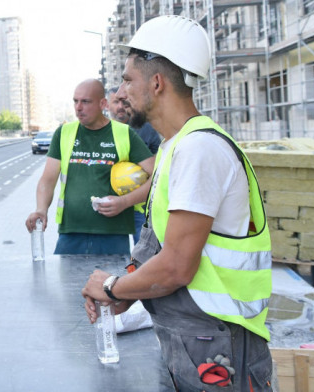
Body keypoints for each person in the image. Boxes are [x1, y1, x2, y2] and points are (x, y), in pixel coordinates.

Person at [82, 15, 273, 391]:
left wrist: (112, 288)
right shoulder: (176, 146)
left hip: (222, 347)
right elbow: (160, 246)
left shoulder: (199, 149)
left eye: (127, 79)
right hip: (197, 340)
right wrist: (128, 292)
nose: (120, 93)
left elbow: (176, 268)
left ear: (156, 83)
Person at [24, 79, 154, 255]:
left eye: (85, 101)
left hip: (114, 236)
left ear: (103, 104)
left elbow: (157, 177)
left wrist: (125, 202)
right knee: (64, 282)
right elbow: (47, 180)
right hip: (70, 234)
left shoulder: (124, 134)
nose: (78, 107)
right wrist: (41, 209)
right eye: (75, 101)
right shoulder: (64, 133)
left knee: (110, 282)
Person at [106, 86, 161, 243]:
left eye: (124, 102)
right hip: (112, 207)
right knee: (114, 259)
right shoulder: (103, 131)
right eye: (116, 102)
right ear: (107, 105)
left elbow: (160, 160)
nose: (120, 107)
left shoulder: (146, 129)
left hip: (140, 207)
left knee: (144, 255)